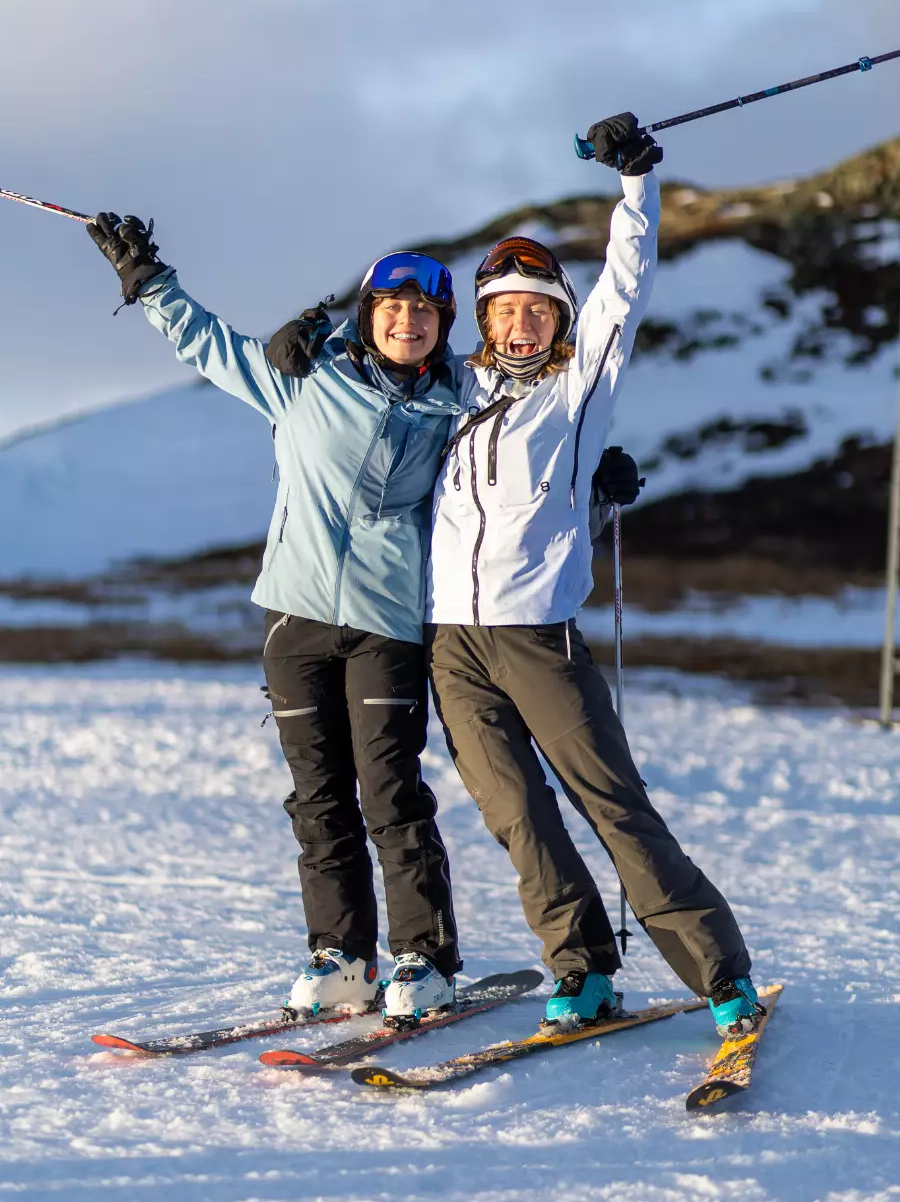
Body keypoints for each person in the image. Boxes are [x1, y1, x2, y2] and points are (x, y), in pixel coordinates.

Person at [425, 113, 761, 1038]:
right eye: (504, 309)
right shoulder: (451, 391)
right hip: (450, 644)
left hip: (539, 637)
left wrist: (635, 186)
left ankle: (720, 976)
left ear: (561, 320)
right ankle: (581, 969)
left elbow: (627, 284)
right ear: (484, 321)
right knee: (517, 817)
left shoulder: (579, 389)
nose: (521, 322)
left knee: (612, 805)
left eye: (538, 309)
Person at [86, 216, 464, 1024]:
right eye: (392, 306)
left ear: (442, 326)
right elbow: (210, 346)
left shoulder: (458, 402)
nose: (407, 320)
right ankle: (342, 955)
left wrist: (593, 471)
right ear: (368, 315)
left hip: (388, 623)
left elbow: (529, 439)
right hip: (296, 621)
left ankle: (424, 958)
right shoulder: (304, 376)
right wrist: (149, 282)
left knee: (390, 794)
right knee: (318, 797)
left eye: (424, 311)